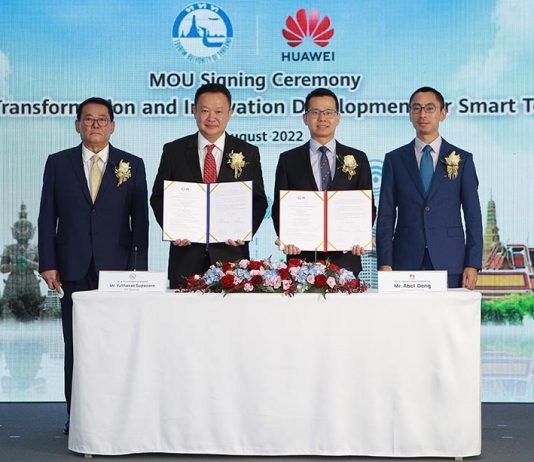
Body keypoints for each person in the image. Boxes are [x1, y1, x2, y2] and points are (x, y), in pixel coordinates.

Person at [38, 97, 149, 433]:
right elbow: (47, 217)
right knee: (76, 345)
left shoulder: (132, 164)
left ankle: (115, 416)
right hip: (71, 268)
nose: (95, 125)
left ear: (113, 126)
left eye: (102, 119)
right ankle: (77, 417)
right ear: (77, 125)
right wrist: (48, 263)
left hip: (118, 272)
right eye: (88, 119)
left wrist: (138, 271)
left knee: (115, 345)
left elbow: (140, 224)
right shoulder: (58, 163)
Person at [150, 83, 267, 288]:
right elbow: (158, 197)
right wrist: (173, 229)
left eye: (219, 111)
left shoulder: (248, 152)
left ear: (230, 113)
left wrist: (244, 231)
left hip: (231, 256)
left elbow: (258, 200)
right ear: (194, 111)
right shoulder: (174, 151)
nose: (211, 117)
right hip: (185, 255)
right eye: (205, 110)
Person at [376, 86, 483, 288]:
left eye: (430, 108)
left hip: (451, 260)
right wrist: (385, 262)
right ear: (409, 114)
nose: (422, 114)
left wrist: (473, 263)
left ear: (443, 113)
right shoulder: (394, 160)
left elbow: (473, 216)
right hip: (404, 261)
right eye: (416, 108)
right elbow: (386, 216)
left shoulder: (463, 159)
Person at [272, 88, 375, 276]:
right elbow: (279, 207)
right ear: (305, 118)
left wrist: (361, 237)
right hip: (301, 262)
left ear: (338, 118)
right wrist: (287, 237)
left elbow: (368, 206)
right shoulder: (288, 160)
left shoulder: (358, 158)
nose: (322, 118)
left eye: (328, 112)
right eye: (315, 112)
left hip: (345, 261)